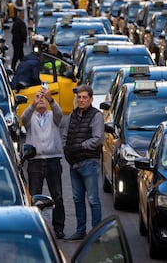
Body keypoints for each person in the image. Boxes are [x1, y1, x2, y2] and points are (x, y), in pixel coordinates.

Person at [21, 88, 66, 239]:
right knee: (35, 195)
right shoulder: (30, 118)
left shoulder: (54, 116)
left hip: (53, 159)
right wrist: (32, 105)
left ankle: (59, 228)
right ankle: (35, 226)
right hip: (35, 161)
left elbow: (60, 113)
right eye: (38, 98)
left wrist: (51, 99)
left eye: (43, 98)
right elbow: (23, 117)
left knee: (57, 195)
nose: (41, 100)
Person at [63, 85, 104, 241]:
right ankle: (80, 231)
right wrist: (67, 150)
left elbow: (98, 138)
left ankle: (97, 233)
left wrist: (80, 146)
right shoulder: (73, 115)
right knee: (77, 199)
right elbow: (65, 136)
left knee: (93, 199)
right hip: (74, 164)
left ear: (91, 99)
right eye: (79, 97)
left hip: (89, 163)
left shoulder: (96, 116)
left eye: (84, 97)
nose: (81, 100)